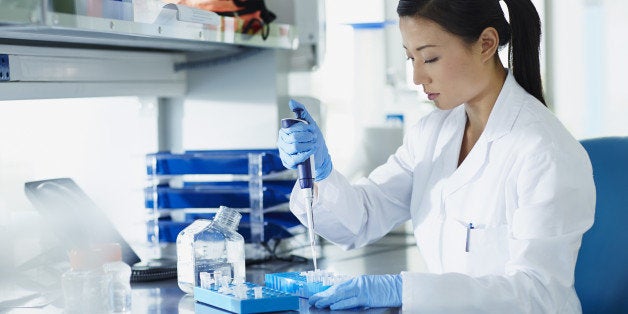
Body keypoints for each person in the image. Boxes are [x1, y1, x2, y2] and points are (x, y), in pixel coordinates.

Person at [277, 0, 595, 312]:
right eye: (410, 58)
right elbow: (363, 218)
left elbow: (538, 295)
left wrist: (403, 290)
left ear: (486, 44)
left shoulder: (544, 152)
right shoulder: (432, 133)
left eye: (429, 58)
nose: (417, 77)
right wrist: (320, 173)